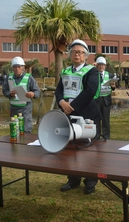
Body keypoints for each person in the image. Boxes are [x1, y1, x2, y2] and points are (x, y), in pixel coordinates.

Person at [55, 39, 101, 194]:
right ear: (69, 54)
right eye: (74, 51)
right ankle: (73, 179)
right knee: (70, 148)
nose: (76, 54)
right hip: (68, 114)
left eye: (80, 52)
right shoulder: (66, 71)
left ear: (85, 56)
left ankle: (90, 181)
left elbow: (90, 91)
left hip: (87, 113)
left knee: (90, 149)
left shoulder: (92, 71)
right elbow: (59, 90)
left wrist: (71, 106)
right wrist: (62, 102)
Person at [2, 56, 40, 133]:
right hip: (13, 109)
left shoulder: (29, 77)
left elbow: (37, 92)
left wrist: (32, 94)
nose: (17, 69)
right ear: (12, 68)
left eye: (19, 67)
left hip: (25, 109)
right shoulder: (9, 77)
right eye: (15, 67)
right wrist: (9, 94)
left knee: (26, 131)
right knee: (14, 131)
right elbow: (4, 90)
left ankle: (25, 144)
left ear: (23, 67)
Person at [95, 56, 116, 140]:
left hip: (106, 100)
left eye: (102, 65)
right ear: (96, 65)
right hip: (96, 99)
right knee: (96, 119)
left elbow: (113, 88)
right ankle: (96, 135)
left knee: (105, 119)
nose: (101, 67)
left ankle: (106, 136)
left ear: (105, 66)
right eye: (99, 65)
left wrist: (113, 86)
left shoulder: (109, 75)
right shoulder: (93, 74)